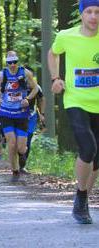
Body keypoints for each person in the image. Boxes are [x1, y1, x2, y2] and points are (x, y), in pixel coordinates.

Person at [48, 0, 99, 224]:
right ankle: (80, 196)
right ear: (81, 15)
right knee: (88, 148)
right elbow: (53, 53)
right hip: (75, 100)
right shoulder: (66, 36)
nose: (93, 16)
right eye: (89, 11)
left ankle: (84, 198)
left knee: (97, 159)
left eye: (98, 12)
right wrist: (55, 78)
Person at [0, 51, 38, 182]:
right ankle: (15, 171)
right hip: (6, 112)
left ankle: (22, 154)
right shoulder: (2, 74)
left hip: (21, 113)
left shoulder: (25, 73)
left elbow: (35, 89)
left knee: (21, 148)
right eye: (9, 62)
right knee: (11, 143)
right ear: (6, 63)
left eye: (15, 62)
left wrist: (28, 99)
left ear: (18, 61)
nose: (12, 65)